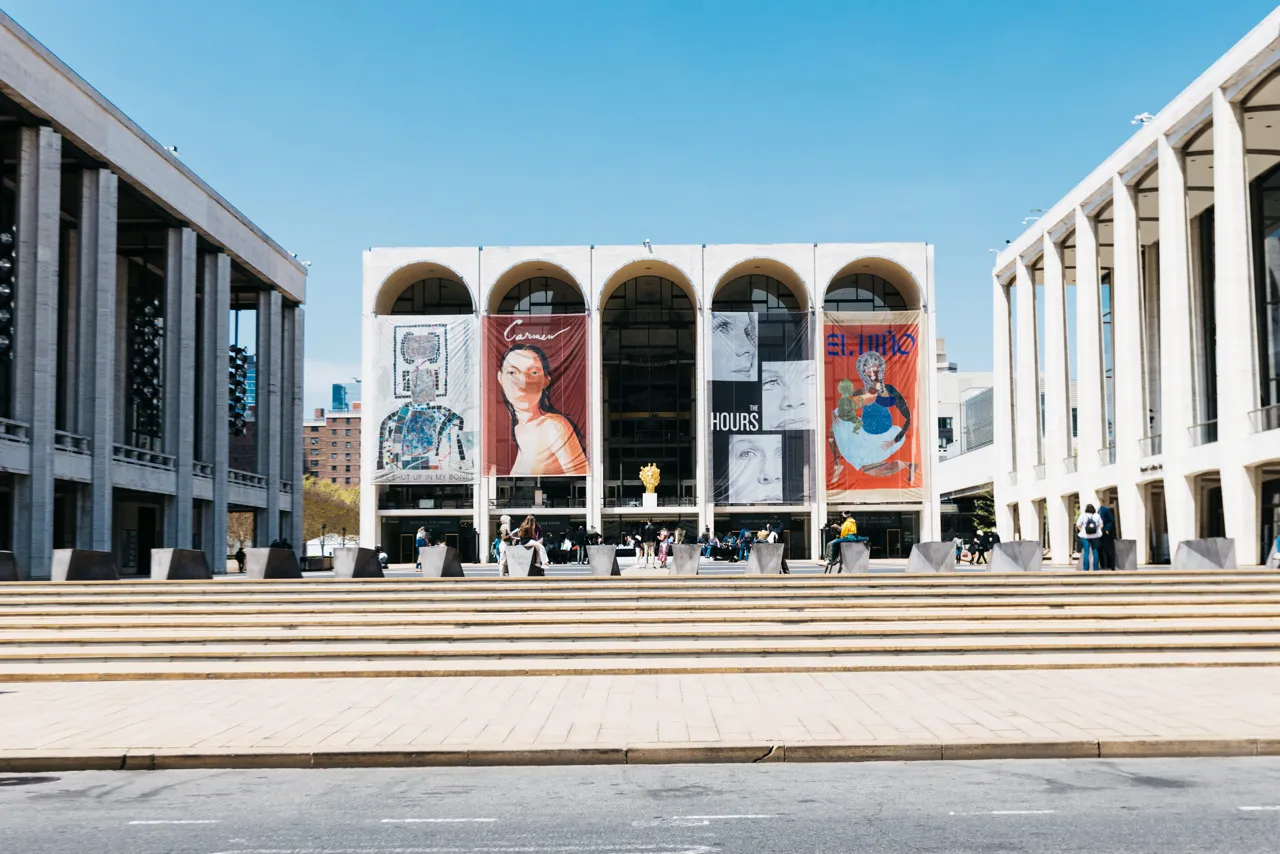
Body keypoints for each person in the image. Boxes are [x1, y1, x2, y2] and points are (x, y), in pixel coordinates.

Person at [496, 344, 588, 476]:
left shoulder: (554, 426)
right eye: (512, 373)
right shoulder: (519, 428)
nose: (523, 383)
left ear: (546, 380)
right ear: (501, 378)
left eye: (533, 372)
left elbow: (582, 480)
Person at [828, 350, 918, 484]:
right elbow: (847, 405)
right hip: (866, 432)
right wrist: (836, 414)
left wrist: (894, 440)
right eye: (867, 370)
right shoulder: (862, 391)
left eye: (874, 369)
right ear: (863, 372)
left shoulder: (889, 389)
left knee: (870, 469)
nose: (871, 373)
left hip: (886, 434)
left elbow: (908, 417)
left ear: (880, 369)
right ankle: (837, 464)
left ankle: (906, 465)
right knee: (833, 432)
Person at [1077, 503, 1104, 571]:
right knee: (1095, 551)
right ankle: (1096, 568)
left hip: (1085, 536)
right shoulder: (1097, 516)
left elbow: (1078, 525)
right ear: (1093, 509)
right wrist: (1098, 530)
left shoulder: (1083, 515)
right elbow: (1101, 524)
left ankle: (1086, 569)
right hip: (1095, 536)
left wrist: (1082, 530)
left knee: (1086, 552)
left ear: (1086, 509)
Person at [1097, 503, 1117, 570]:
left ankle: (1111, 565)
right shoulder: (1095, 511)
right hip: (1098, 533)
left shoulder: (1104, 509)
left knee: (1108, 549)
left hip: (1105, 532)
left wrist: (1107, 529)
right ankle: (1103, 565)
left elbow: (1111, 519)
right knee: (1100, 549)